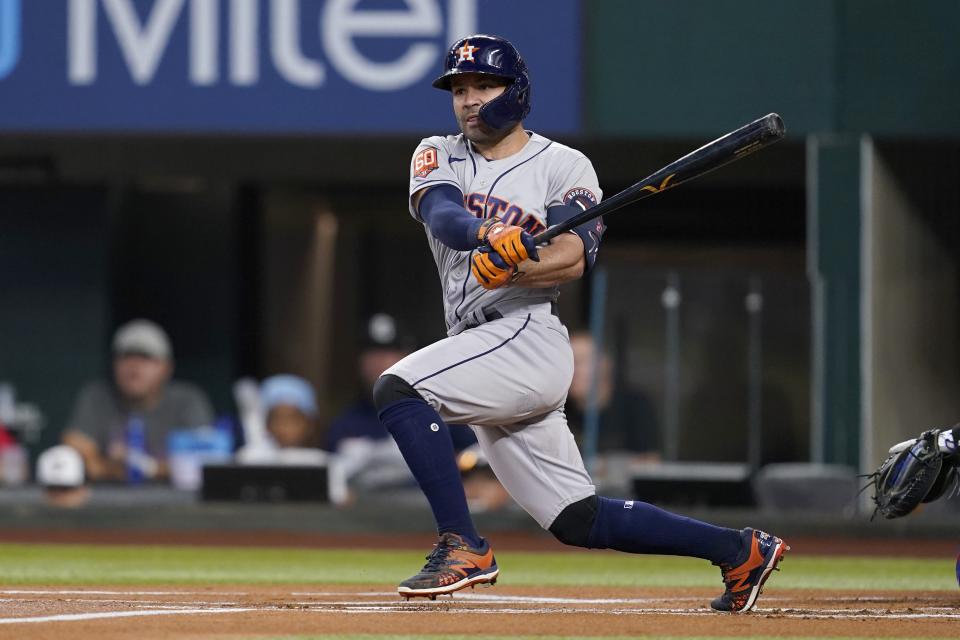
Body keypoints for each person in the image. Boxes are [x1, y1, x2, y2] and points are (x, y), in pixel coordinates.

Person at [372, 34, 788, 612]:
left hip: (524, 335)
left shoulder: (564, 164)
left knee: (398, 389)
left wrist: (519, 264)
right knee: (577, 518)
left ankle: (463, 544)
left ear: (515, 91)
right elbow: (442, 213)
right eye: (459, 89)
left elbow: (571, 252)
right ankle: (739, 551)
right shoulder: (436, 151)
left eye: (483, 86)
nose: (469, 100)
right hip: (476, 342)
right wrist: (488, 236)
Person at [62, 319, 214, 483]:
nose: (134, 367)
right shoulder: (97, 396)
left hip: (176, 503)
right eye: (126, 357)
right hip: (110, 502)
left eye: (145, 358)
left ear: (166, 367)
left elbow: (202, 461)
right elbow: (75, 445)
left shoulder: (187, 400)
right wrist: (113, 468)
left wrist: (143, 465)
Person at [566, 331, 660, 457]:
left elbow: (651, 461)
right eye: (566, 362)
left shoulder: (635, 406)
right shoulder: (554, 410)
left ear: (604, 365)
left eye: (581, 362)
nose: (573, 369)